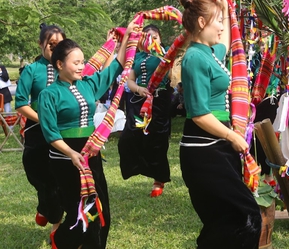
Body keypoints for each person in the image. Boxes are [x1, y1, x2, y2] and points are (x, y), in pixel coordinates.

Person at [178, 0, 261, 248]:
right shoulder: (193, 58)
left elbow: (224, 40)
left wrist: (224, 10)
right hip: (204, 150)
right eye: (215, 21)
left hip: (217, 146)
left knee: (224, 220)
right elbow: (199, 113)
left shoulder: (211, 53)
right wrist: (232, 135)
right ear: (201, 23)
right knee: (246, 215)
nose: (220, 27)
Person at [38, 28, 129, 248]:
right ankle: (60, 241)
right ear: (60, 64)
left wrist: (125, 40)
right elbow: (51, 134)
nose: (81, 66)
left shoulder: (88, 85)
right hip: (65, 159)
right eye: (76, 62)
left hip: (91, 156)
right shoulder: (48, 94)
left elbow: (115, 65)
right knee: (79, 212)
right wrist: (71, 153)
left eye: (82, 62)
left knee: (100, 209)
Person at [15, 24, 65, 236]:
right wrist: (44, 120)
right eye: (50, 44)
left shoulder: (68, 67)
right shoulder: (32, 70)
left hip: (63, 131)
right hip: (37, 132)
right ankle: (44, 206)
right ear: (41, 44)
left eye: (59, 44)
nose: (54, 48)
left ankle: (56, 225)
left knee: (58, 178)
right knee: (38, 175)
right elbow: (20, 103)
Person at [117, 24, 173, 197]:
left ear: (160, 39)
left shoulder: (166, 55)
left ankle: (159, 178)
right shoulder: (136, 57)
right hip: (139, 101)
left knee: (157, 139)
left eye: (155, 37)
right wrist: (138, 90)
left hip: (159, 102)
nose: (151, 40)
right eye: (147, 37)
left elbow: (171, 76)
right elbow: (130, 80)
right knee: (129, 137)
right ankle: (137, 167)